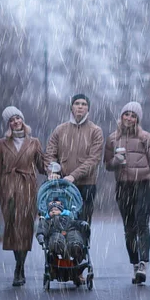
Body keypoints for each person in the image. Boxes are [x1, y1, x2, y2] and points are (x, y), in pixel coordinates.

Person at [103, 101, 150, 284]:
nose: (129, 118)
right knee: (129, 228)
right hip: (123, 186)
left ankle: (143, 263)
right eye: (127, 114)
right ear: (121, 116)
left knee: (142, 223)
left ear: (138, 119)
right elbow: (107, 165)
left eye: (133, 116)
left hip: (143, 185)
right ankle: (134, 263)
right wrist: (115, 161)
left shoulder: (146, 137)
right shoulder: (112, 139)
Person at [0, 106, 46, 287]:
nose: (15, 122)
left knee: (26, 228)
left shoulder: (34, 142)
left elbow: (42, 166)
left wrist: (56, 169)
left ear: (22, 119)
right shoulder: (2, 144)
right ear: (8, 124)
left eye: (17, 118)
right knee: (13, 228)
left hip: (28, 188)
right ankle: (18, 264)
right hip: (9, 188)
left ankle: (20, 267)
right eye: (11, 120)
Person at [44, 93, 104, 229]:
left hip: (86, 185)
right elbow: (50, 154)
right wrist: (53, 171)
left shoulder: (95, 131)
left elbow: (94, 159)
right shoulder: (60, 130)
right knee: (62, 222)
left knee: (83, 223)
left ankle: (82, 249)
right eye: (77, 103)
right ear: (71, 107)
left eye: (84, 104)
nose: (80, 107)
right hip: (62, 186)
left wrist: (73, 176)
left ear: (88, 109)